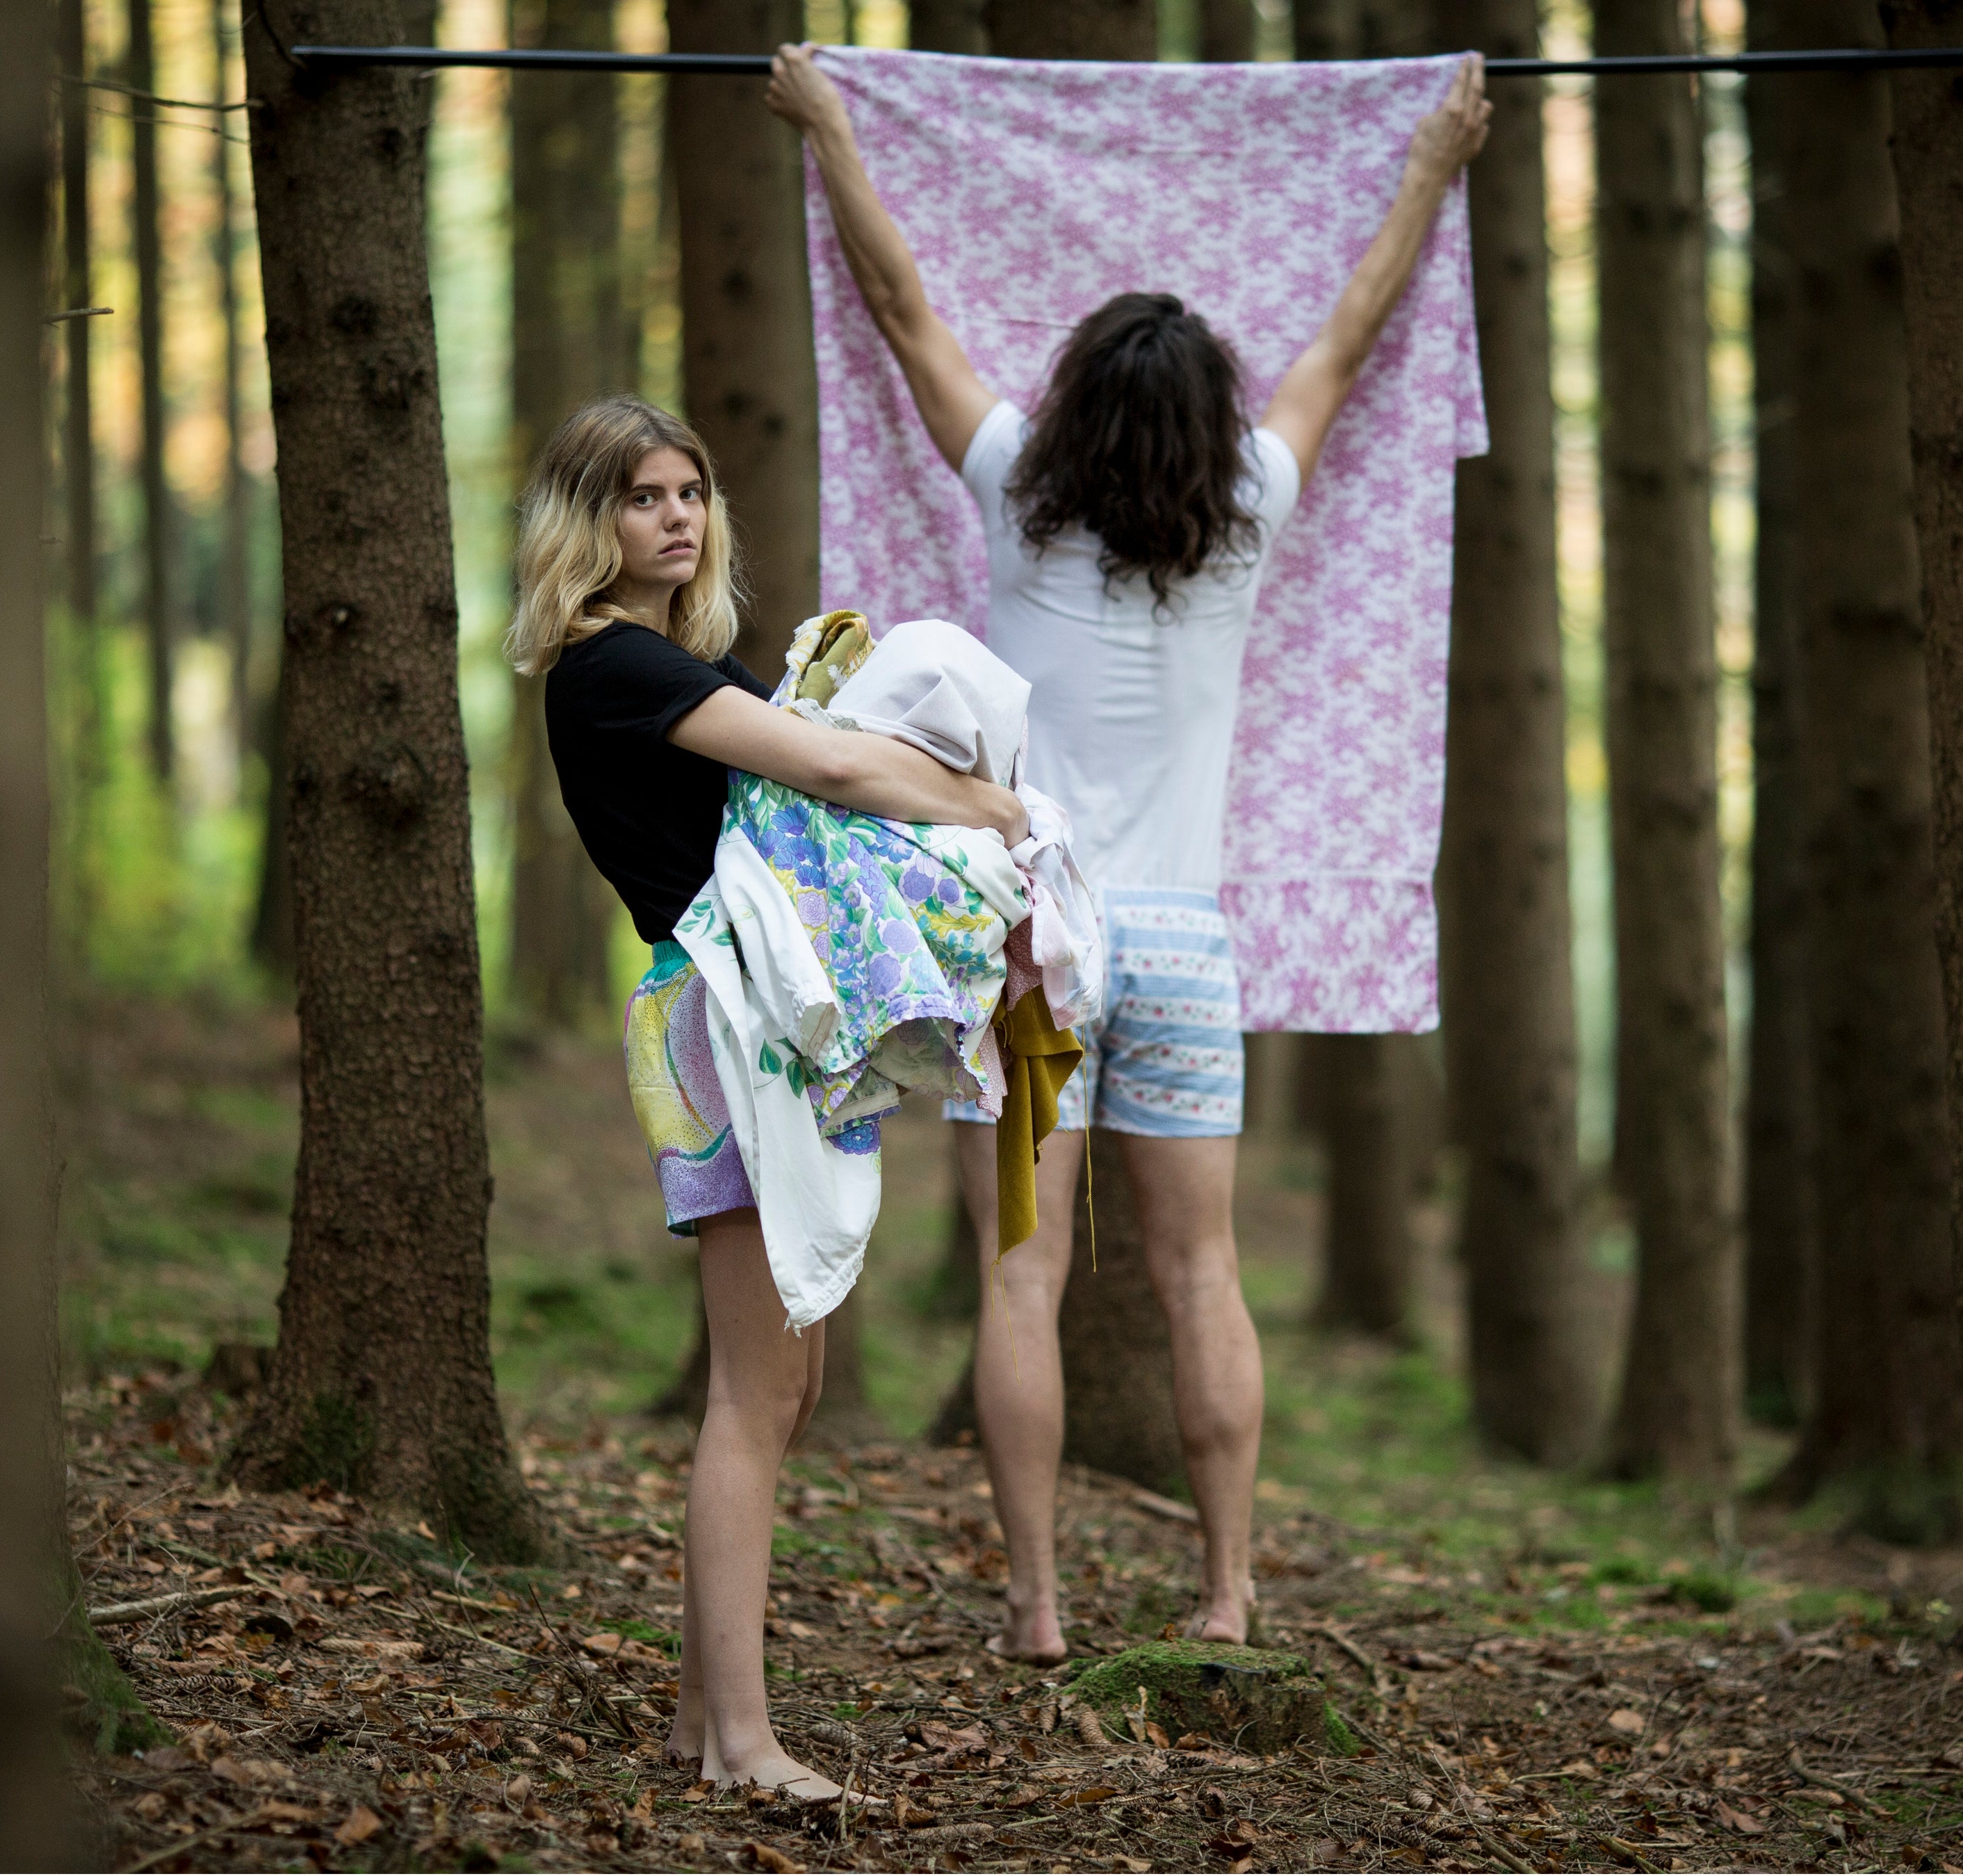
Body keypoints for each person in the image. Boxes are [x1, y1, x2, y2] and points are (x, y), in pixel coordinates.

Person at [766, 45, 1491, 1663]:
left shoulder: (1016, 503)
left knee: (1020, 1283)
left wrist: (828, 130)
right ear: (1209, 423)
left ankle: (1036, 1607)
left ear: (1076, 410)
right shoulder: (1249, 508)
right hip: (1181, 948)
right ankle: (1226, 1594)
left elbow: (902, 311)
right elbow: (1350, 334)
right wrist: (1432, 165)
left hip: (1034, 949)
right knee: (1202, 1276)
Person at [509, 395, 1029, 1795]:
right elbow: (835, 763)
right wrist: (987, 805)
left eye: (689, 492)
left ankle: (704, 1718)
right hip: (719, 1024)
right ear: (586, 521)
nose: (676, 517)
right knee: (755, 1391)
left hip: (756, 1022)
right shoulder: (612, 666)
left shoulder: (679, 660)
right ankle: (744, 1744)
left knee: (787, 1384)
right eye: (642, 497)